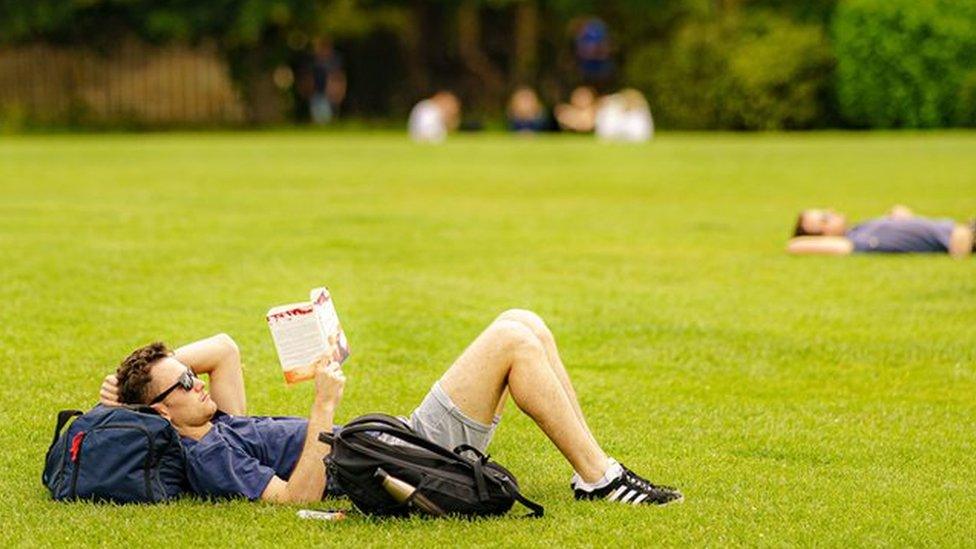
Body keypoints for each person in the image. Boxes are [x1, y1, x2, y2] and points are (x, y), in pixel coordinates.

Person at [99, 310, 682, 506]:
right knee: (513, 340)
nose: (198, 382)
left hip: (395, 440)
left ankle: (595, 467)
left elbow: (223, 349)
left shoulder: (210, 418)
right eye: (183, 385)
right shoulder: (209, 457)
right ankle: (601, 479)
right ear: (162, 414)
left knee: (522, 320)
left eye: (188, 375)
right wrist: (324, 404)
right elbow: (296, 499)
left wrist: (128, 388)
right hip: (399, 462)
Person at [786, 206, 975, 258]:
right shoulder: (855, 243)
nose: (832, 211)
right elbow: (794, 246)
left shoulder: (859, 229)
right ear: (824, 234)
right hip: (964, 237)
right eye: (825, 217)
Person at [308, 38, 346, 125]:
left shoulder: (334, 62)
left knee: (328, 119)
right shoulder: (314, 62)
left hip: (329, 94)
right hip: (316, 94)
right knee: (317, 119)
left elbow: (339, 77)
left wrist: (339, 91)